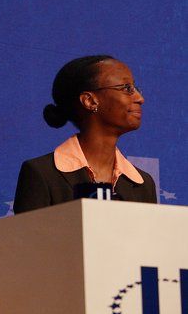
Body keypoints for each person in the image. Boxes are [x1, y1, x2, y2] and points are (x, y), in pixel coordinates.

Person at [14, 55, 157, 214]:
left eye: (136, 88)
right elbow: (29, 237)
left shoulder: (143, 184)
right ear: (90, 101)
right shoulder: (42, 173)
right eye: (127, 88)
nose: (140, 98)